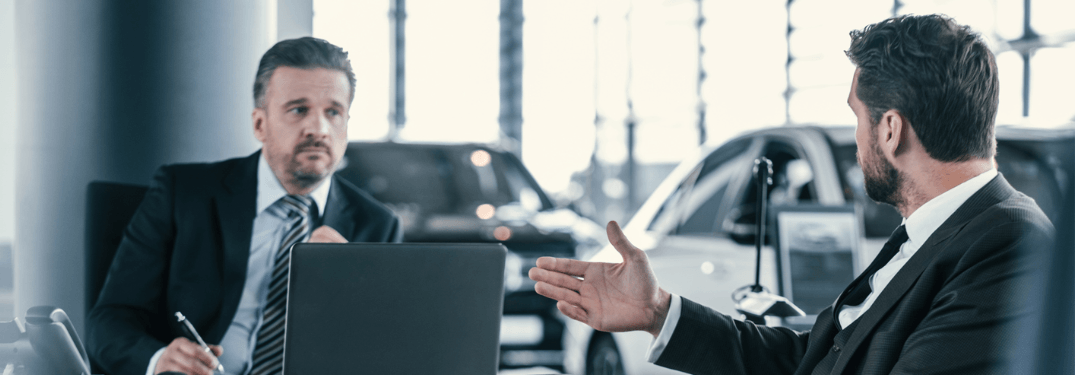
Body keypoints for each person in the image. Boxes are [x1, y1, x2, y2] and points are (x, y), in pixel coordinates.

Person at [530, 14, 1054, 375]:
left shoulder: (1010, 243)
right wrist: (657, 311)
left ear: (891, 130)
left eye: (858, 118)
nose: (857, 141)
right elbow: (814, 358)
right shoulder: (930, 233)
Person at [87, 37, 402, 375]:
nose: (319, 129)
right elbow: (109, 322)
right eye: (299, 110)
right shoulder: (184, 193)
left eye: (333, 112)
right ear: (259, 124)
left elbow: (385, 355)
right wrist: (158, 359)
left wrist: (352, 295)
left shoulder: (376, 225)